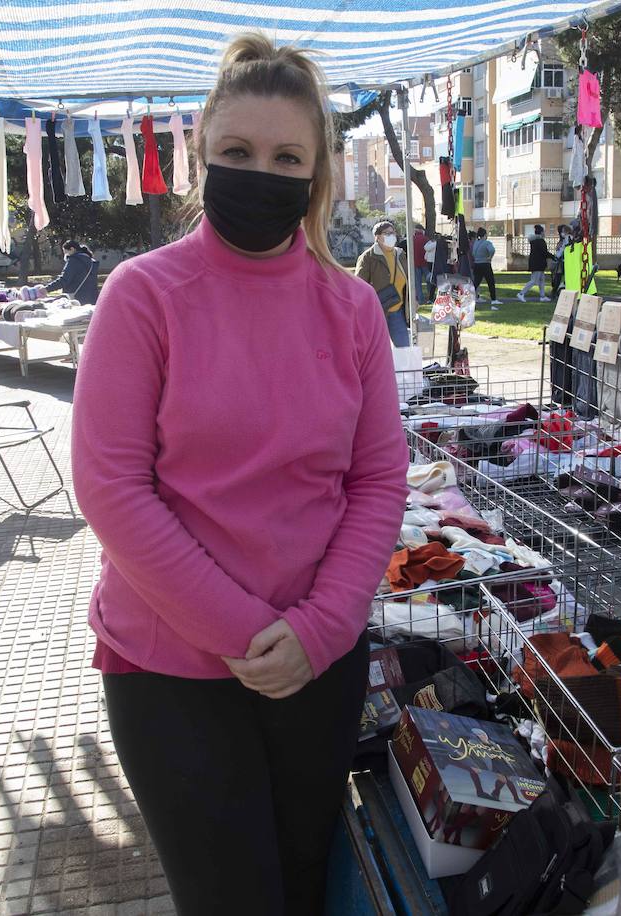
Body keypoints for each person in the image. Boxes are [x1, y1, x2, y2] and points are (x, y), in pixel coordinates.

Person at [71, 34, 409, 916]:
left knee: (304, 885)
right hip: (171, 671)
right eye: (238, 152)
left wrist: (319, 631)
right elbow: (110, 488)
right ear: (203, 155)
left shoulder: (353, 308)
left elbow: (379, 480)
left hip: (318, 663)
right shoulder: (142, 295)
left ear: (316, 171)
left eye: (286, 157)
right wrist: (253, 634)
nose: (262, 173)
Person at [355, 219, 409, 346]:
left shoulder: (400, 254)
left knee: (404, 349)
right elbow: (359, 286)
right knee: (378, 350)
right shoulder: (368, 257)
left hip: (397, 311)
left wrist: (414, 299)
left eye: (393, 232)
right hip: (376, 312)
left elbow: (408, 279)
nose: (392, 236)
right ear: (378, 237)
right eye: (387, 233)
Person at [47, 238, 102, 305]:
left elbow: (64, 280)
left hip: (76, 299)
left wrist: (46, 289)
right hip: (92, 298)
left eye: (65, 252)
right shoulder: (91, 261)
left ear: (72, 249)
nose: (65, 255)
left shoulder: (74, 260)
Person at [520, 224, 551, 302]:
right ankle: (521, 293)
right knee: (534, 280)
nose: (544, 233)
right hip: (538, 264)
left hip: (536, 263)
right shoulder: (540, 241)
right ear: (541, 232)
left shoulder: (534, 241)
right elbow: (544, 252)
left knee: (542, 280)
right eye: (543, 231)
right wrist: (553, 257)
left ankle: (542, 296)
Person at [471, 227, 499, 308]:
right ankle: (493, 299)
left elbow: (473, 253)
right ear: (485, 235)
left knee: (476, 282)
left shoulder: (476, 243)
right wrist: (490, 257)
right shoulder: (487, 243)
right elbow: (492, 250)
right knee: (491, 282)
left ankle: (467, 297)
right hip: (485, 264)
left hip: (477, 264)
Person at [551, 224, 571, 298]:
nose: (562, 233)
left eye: (563, 231)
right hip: (562, 261)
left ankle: (557, 291)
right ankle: (557, 291)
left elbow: (562, 250)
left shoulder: (567, 238)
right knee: (559, 277)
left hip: (563, 261)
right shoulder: (564, 239)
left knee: (559, 277)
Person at [411, 225, 430, 303]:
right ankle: (430, 297)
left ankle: (420, 299)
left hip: (415, 263)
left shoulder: (412, 239)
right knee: (429, 280)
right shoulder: (426, 239)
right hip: (425, 263)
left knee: (418, 282)